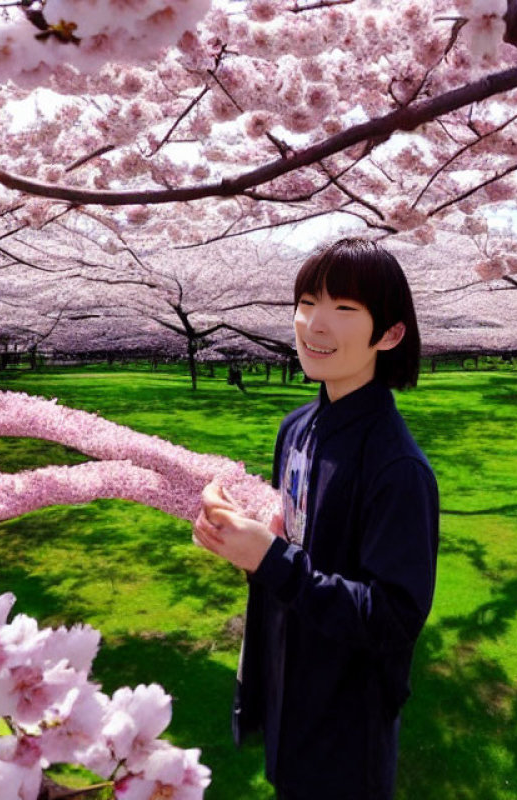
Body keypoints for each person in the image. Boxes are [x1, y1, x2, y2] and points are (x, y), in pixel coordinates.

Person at [193, 238, 439, 799]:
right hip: (287, 677)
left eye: (345, 310)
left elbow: (393, 619)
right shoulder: (296, 428)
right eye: (306, 302)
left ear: (391, 334)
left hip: (346, 716)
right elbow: (297, 541)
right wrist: (241, 537)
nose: (314, 324)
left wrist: (271, 559)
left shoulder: (397, 467)